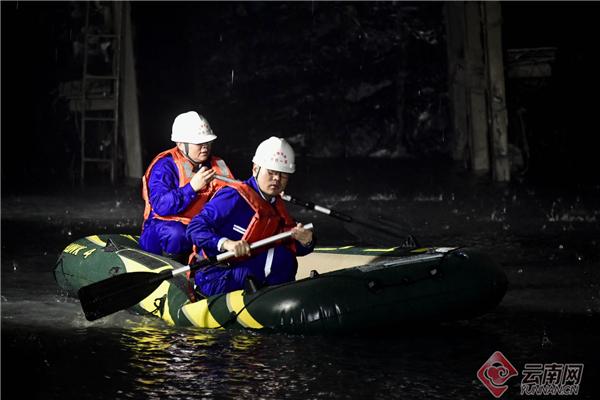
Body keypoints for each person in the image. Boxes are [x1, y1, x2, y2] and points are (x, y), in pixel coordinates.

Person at [186, 136, 315, 297]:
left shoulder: (275, 204)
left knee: (284, 258)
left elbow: (294, 247)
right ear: (255, 169)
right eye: (271, 172)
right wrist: (227, 244)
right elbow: (194, 228)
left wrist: (306, 241)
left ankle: (279, 306)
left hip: (243, 266)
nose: (276, 179)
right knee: (277, 259)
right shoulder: (232, 196)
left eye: (283, 174)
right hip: (214, 275)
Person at [140, 111, 235, 262]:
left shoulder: (217, 164)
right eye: (199, 143)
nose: (205, 147)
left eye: (208, 142)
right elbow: (160, 205)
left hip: (200, 226)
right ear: (180, 144)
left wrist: (256, 192)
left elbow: (234, 196)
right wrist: (191, 188)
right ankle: (172, 271)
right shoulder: (165, 166)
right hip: (164, 227)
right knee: (176, 234)